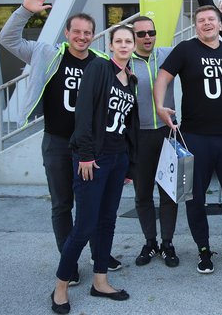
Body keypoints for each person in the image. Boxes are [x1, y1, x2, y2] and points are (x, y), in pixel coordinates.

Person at [0, 0, 120, 286]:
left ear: (94, 35)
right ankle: (70, 261)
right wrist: (25, 10)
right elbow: (7, 39)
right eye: (76, 32)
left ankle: (97, 253)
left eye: (87, 32)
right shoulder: (45, 53)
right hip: (57, 142)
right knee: (62, 204)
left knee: (92, 204)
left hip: (90, 146)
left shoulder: (102, 63)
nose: (81, 37)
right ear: (67, 33)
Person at [153, 5, 222, 274]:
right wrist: (160, 106)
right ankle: (204, 249)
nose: (206, 23)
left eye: (212, 19)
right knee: (195, 197)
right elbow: (163, 77)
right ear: (195, 25)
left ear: (221, 25)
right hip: (196, 137)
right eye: (201, 20)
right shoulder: (185, 49)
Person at [51, 25, 139, 314]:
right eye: (119, 41)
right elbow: (84, 111)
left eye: (129, 41)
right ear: (111, 45)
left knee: (107, 222)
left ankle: (100, 280)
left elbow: (128, 125)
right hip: (93, 159)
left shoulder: (131, 78)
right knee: (85, 225)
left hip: (117, 160)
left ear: (134, 45)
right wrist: (86, 154)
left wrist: (129, 164)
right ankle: (61, 286)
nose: (124, 45)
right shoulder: (98, 68)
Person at [128, 16, 180, 268]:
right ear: (133, 37)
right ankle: (150, 242)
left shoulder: (168, 54)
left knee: (169, 193)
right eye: (141, 34)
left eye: (151, 32)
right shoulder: (123, 60)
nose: (147, 37)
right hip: (139, 135)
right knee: (143, 194)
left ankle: (168, 243)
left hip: (167, 133)